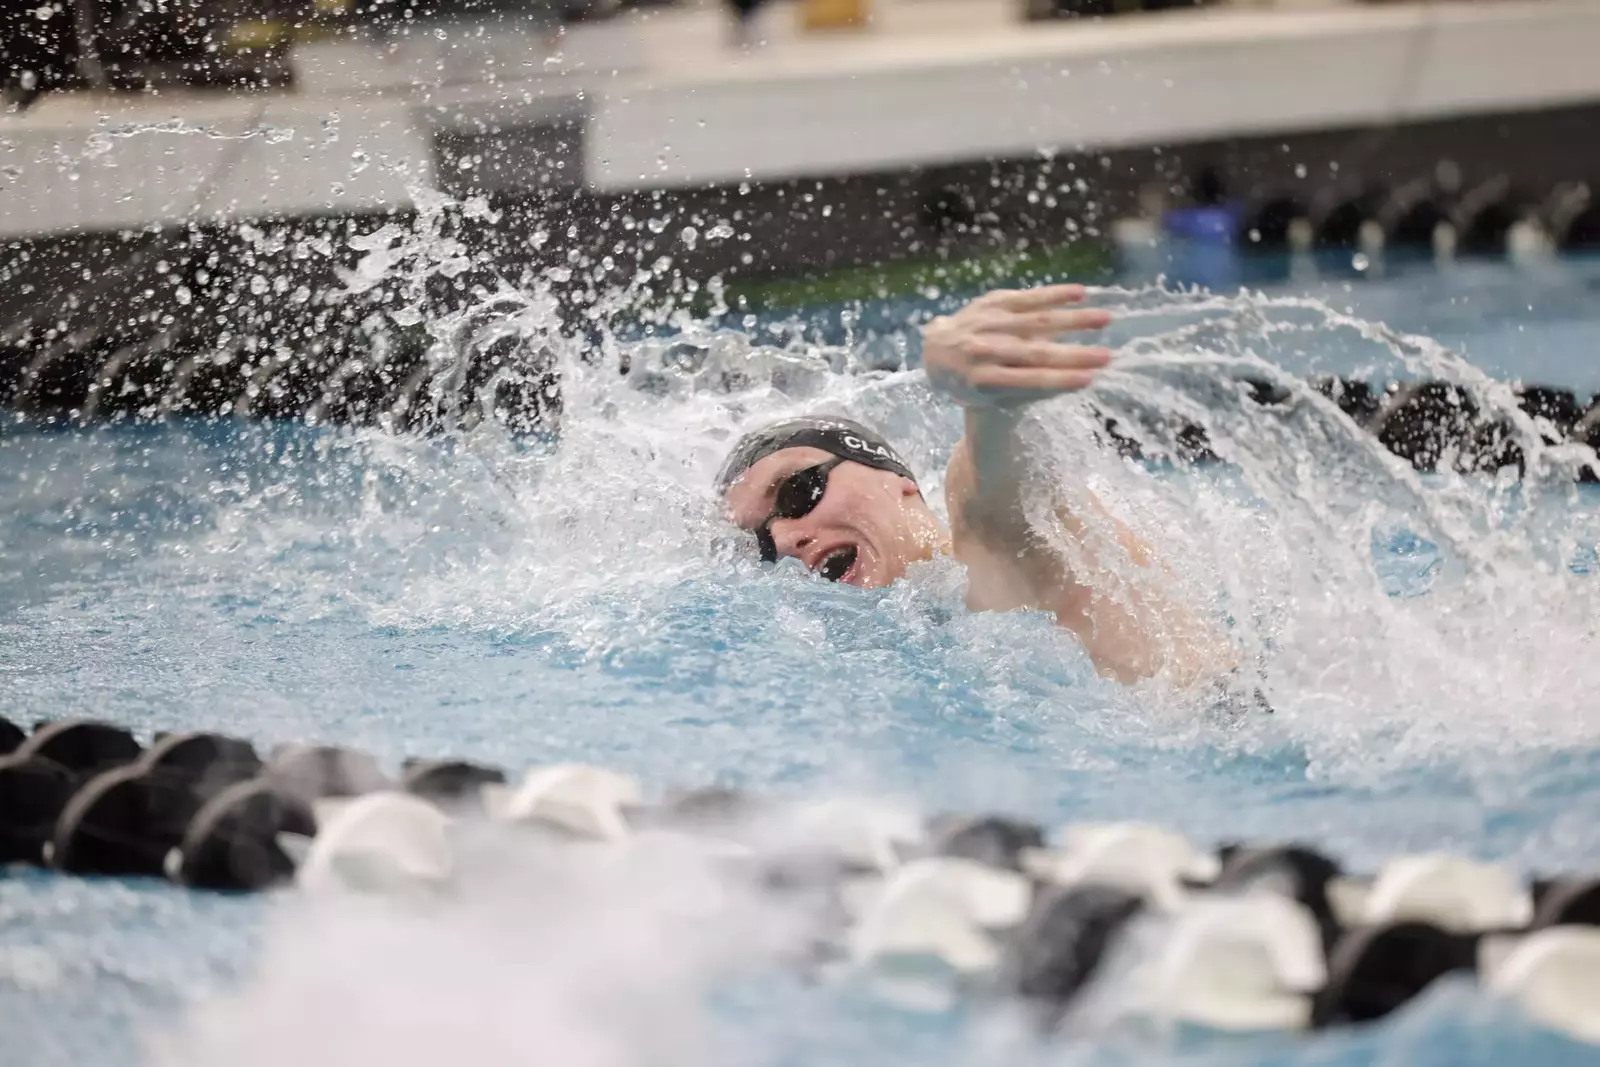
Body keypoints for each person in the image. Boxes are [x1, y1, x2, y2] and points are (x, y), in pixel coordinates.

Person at [715, 282, 1236, 690]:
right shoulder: (915, 649)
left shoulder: (996, 546)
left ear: (895, 480)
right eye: (760, 543)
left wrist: (985, 397)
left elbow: (995, 474)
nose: (783, 541)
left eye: (796, 492)